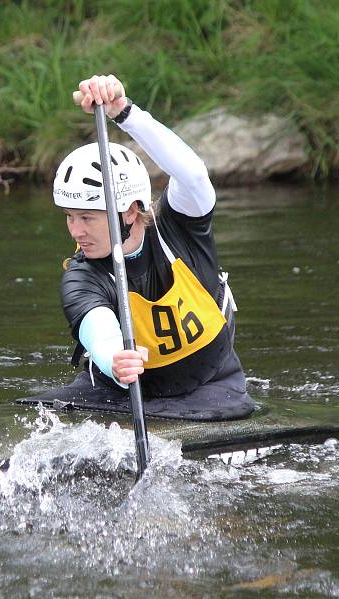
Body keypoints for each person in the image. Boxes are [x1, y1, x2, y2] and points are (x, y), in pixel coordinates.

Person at [27, 74, 254, 421]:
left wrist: (124, 112)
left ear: (131, 211)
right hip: (115, 392)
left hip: (211, 388)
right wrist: (115, 359)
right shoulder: (81, 275)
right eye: (69, 217)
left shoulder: (180, 228)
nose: (76, 231)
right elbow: (95, 324)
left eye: (87, 218)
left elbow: (192, 174)